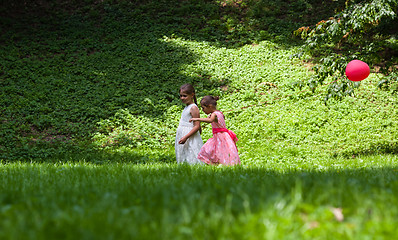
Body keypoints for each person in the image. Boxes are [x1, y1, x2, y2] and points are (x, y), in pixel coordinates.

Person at [190, 96, 240, 166]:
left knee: (216, 150)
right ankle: (219, 164)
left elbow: (210, 120)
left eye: (203, 108)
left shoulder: (214, 114)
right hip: (221, 136)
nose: (202, 110)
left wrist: (197, 119)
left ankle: (221, 163)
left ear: (210, 106)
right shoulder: (219, 113)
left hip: (220, 136)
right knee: (217, 149)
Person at [175, 84, 204, 164]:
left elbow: (197, 125)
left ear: (192, 95)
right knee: (184, 152)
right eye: (181, 96)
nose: (182, 98)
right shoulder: (187, 107)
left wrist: (186, 137)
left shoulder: (193, 108)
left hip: (189, 135)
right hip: (183, 133)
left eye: (184, 96)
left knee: (192, 152)